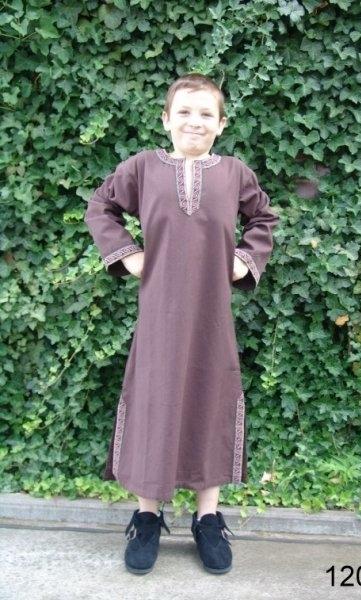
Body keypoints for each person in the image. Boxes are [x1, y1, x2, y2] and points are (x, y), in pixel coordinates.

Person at [83, 72, 280, 576]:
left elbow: (264, 219)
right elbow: (101, 207)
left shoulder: (235, 173)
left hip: (212, 315)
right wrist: (126, 254)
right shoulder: (143, 168)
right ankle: (147, 517)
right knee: (155, 399)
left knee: (211, 397)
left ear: (222, 124)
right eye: (185, 112)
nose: (195, 121)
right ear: (166, 119)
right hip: (159, 314)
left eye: (206, 114)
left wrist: (245, 258)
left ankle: (207, 519)